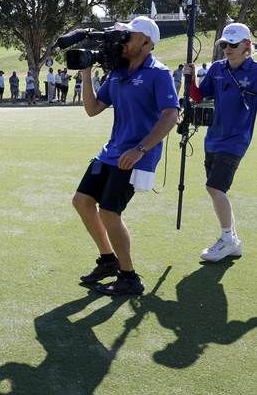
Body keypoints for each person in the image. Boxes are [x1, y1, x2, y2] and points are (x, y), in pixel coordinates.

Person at [73, 16, 178, 296]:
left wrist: (140, 149)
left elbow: (171, 115)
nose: (123, 41)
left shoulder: (159, 73)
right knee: (82, 201)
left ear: (146, 42)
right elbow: (93, 109)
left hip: (137, 155)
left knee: (109, 212)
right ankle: (108, 260)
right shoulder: (117, 72)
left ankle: (129, 277)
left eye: (128, 36)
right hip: (111, 152)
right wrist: (86, 74)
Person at [183, 23, 256, 262]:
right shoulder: (216, 68)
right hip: (213, 139)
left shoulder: (255, 72)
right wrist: (190, 79)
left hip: (236, 140)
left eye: (233, 44)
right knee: (216, 190)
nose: (227, 48)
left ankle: (227, 239)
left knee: (215, 188)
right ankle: (233, 241)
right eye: (224, 44)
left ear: (247, 45)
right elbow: (198, 96)